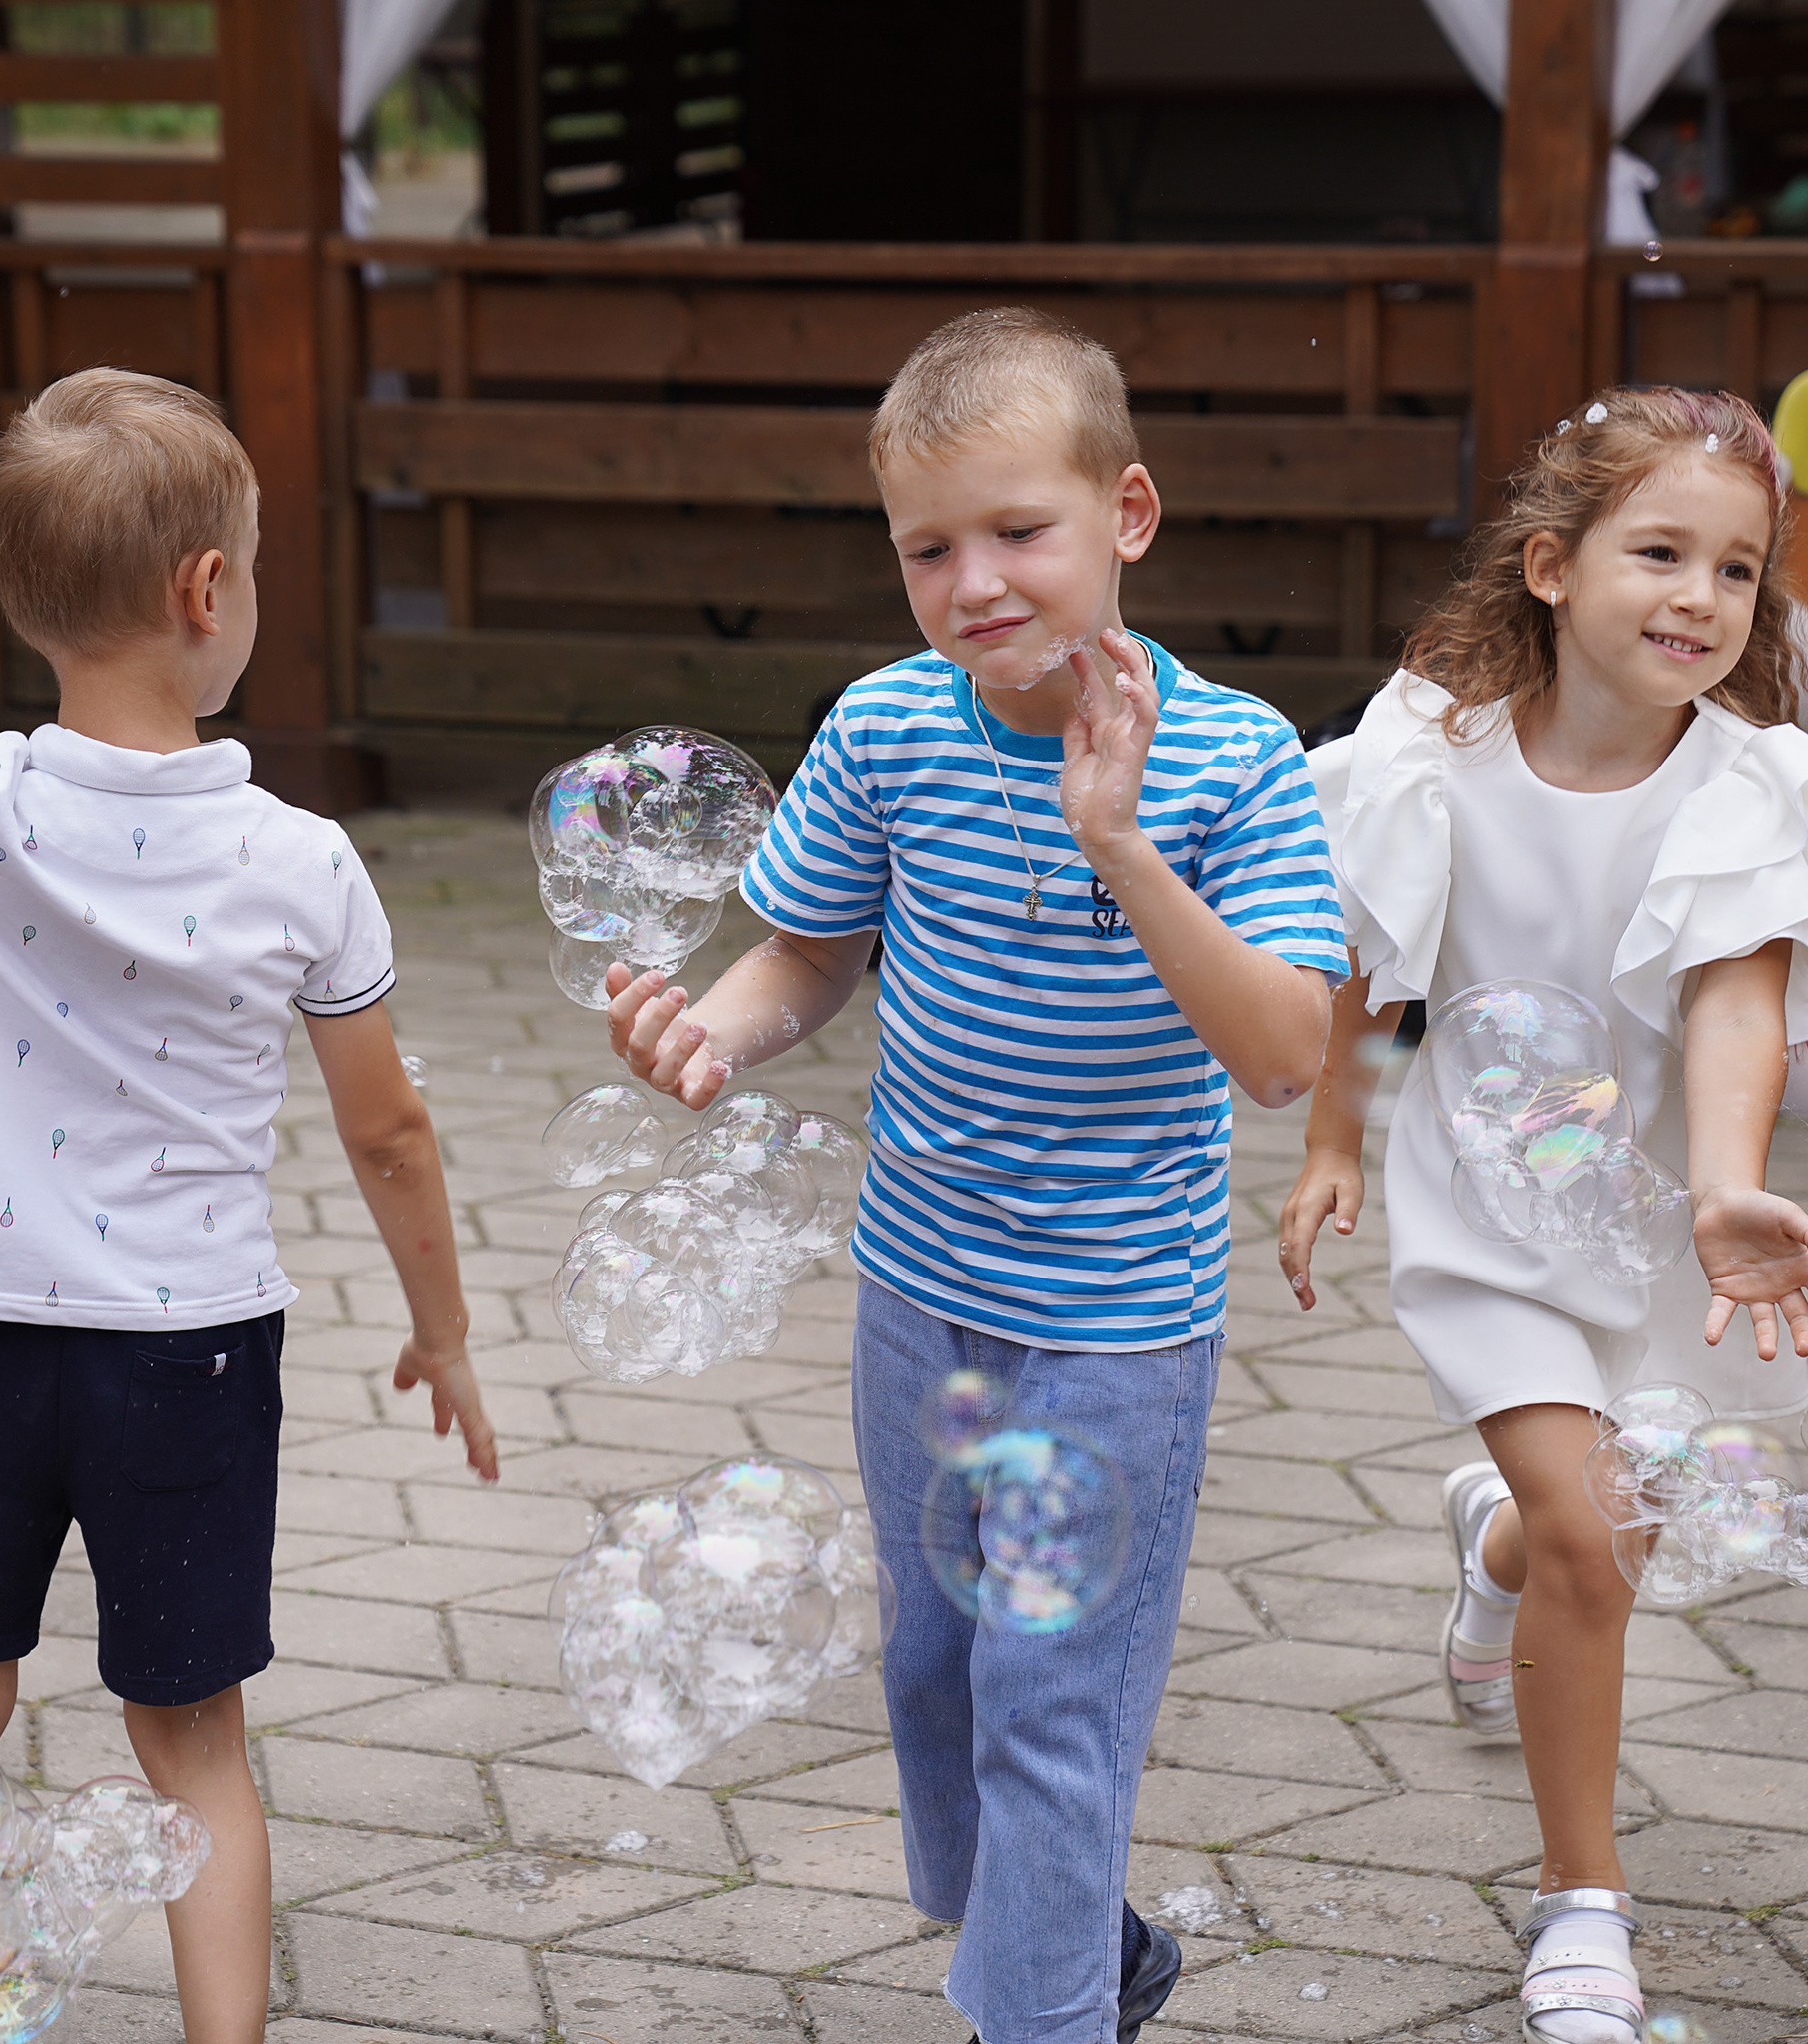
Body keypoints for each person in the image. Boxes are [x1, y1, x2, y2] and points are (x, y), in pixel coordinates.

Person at [0, 154, 499, 2044]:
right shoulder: (309, 864)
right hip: (190, 1358)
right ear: (210, 591)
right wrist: (445, 1330)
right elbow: (390, 1132)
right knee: (189, 1738)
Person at [605, 306, 1346, 2043]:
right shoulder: (888, 729)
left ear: (1129, 517)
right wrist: (716, 1036)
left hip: (1113, 1330)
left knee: (1044, 1703)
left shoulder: (1241, 762)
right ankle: (1073, 1946)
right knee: (934, 1677)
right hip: (918, 1301)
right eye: (928, 548)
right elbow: (803, 955)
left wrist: (1123, 847)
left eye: (1021, 530)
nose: (976, 581)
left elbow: (1287, 1050)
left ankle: (1039, 2008)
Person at [1277, 388, 1808, 2043]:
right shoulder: (1433, 758)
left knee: (1588, 1536)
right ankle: (1584, 1908)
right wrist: (1335, 1143)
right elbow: (1363, 949)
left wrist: (1720, 1189)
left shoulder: (1753, 793)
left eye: (1736, 571)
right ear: (1553, 567)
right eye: (1660, 553)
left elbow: (1727, 1006)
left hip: (1653, 1224)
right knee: (1599, 1542)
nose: (1700, 597)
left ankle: (1488, 1557)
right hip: (1483, 1207)